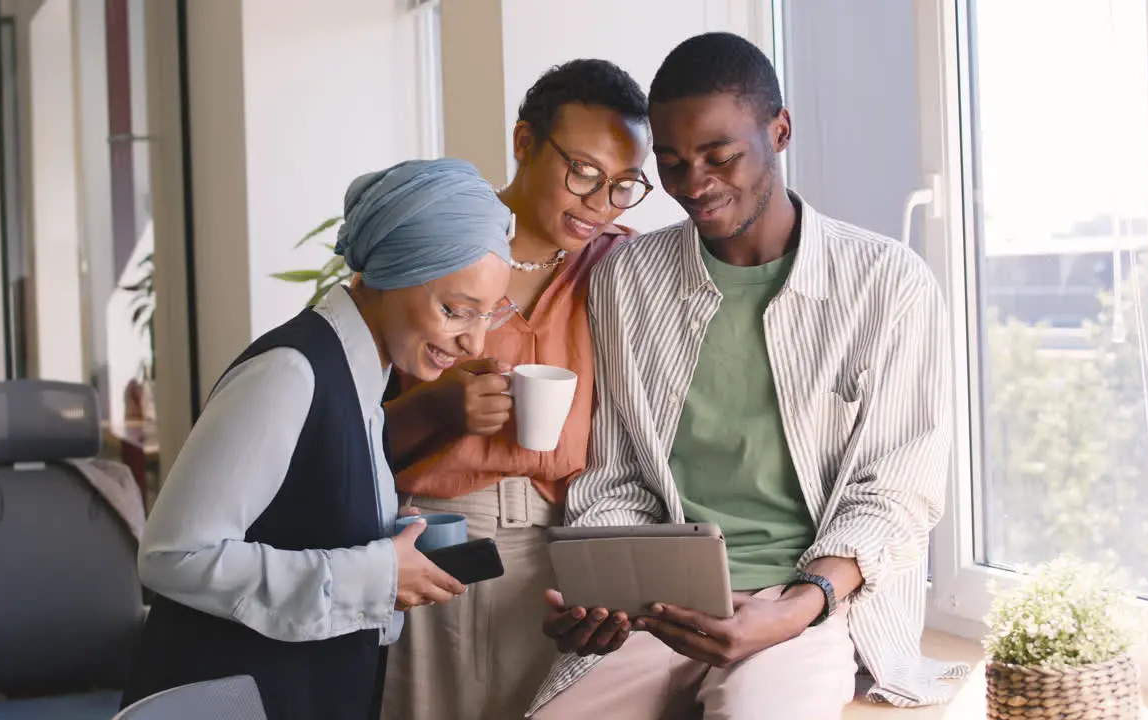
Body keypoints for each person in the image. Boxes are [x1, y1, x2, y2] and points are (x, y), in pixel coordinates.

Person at [527, 33, 967, 720]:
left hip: (811, 604)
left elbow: (898, 493)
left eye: (718, 156)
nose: (692, 184)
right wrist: (608, 589)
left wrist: (798, 606)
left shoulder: (888, 284)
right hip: (662, 603)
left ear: (780, 131)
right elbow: (615, 475)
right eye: (670, 163)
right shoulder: (626, 280)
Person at [120, 159, 516, 720]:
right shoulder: (290, 372)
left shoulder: (364, 377)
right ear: (388, 272)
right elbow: (172, 556)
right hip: (230, 697)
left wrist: (384, 542)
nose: (472, 341)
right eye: (455, 311)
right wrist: (375, 574)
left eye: (488, 316)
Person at [377, 59, 652, 720]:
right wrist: (439, 407)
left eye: (623, 185)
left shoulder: (624, 266)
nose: (598, 203)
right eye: (583, 172)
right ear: (524, 143)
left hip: (569, 550)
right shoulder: (434, 246)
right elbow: (349, 436)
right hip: (436, 537)